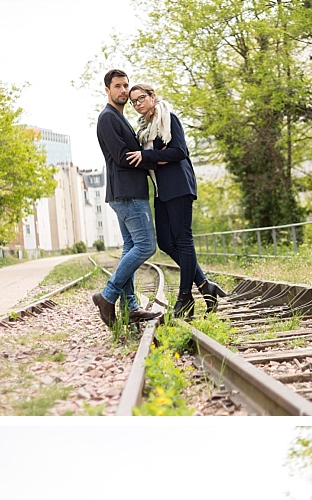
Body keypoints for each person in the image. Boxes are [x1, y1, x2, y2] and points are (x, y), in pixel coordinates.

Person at [126, 84, 226, 319]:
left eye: (141, 98)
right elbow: (158, 158)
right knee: (165, 242)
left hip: (178, 187)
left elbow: (179, 151)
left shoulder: (168, 118)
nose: (138, 104)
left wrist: (148, 156)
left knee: (182, 240)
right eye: (134, 101)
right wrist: (150, 159)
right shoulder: (144, 128)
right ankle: (204, 285)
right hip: (162, 191)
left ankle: (185, 297)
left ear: (152, 97)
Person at [92, 70, 163, 328]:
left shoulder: (119, 118)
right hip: (127, 192)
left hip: (127, 191)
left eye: (126, 86)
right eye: (118, 86)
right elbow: (123, 156)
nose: (123, 91)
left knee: (130, 247)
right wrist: (151, 159)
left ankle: (130, 307)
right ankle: (107, 296)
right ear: (108, 90)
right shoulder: (107, 118)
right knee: (145, 246)